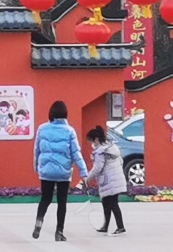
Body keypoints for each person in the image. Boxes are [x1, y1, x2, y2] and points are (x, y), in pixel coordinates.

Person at [32, 100, 88, 242]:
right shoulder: (69, 131)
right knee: (62, 202)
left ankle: (39, 222)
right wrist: (83, 172)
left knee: (45, 199)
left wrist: (37, 167)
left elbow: (36, 150)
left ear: (51, 113)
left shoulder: (42, 128)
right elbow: (76, 153)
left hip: (47, 171)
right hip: (63, 172)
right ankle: (59, 232)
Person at [83, 126, 127, 235]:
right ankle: (105, 226)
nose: (91, 143)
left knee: (112, 204)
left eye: (91, 140)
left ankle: (120, 227)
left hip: (109, 181)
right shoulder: (111, 148)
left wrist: (87, 178)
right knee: (107, 203)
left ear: (96, 139)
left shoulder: (100, 151)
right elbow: (121, 162)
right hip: (115, 179)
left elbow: (98, 167)